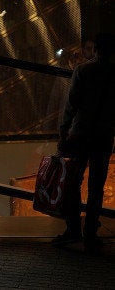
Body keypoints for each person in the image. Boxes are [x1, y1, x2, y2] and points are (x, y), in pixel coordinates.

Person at [54, 33, 115, 253]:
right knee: (96, 187)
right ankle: (91, 232)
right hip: (104, 136)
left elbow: (71, 106)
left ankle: (73, 229)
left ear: (95, 49)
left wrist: (63, 133)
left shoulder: (83, 71)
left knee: (73, 182)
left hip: (80, 134)